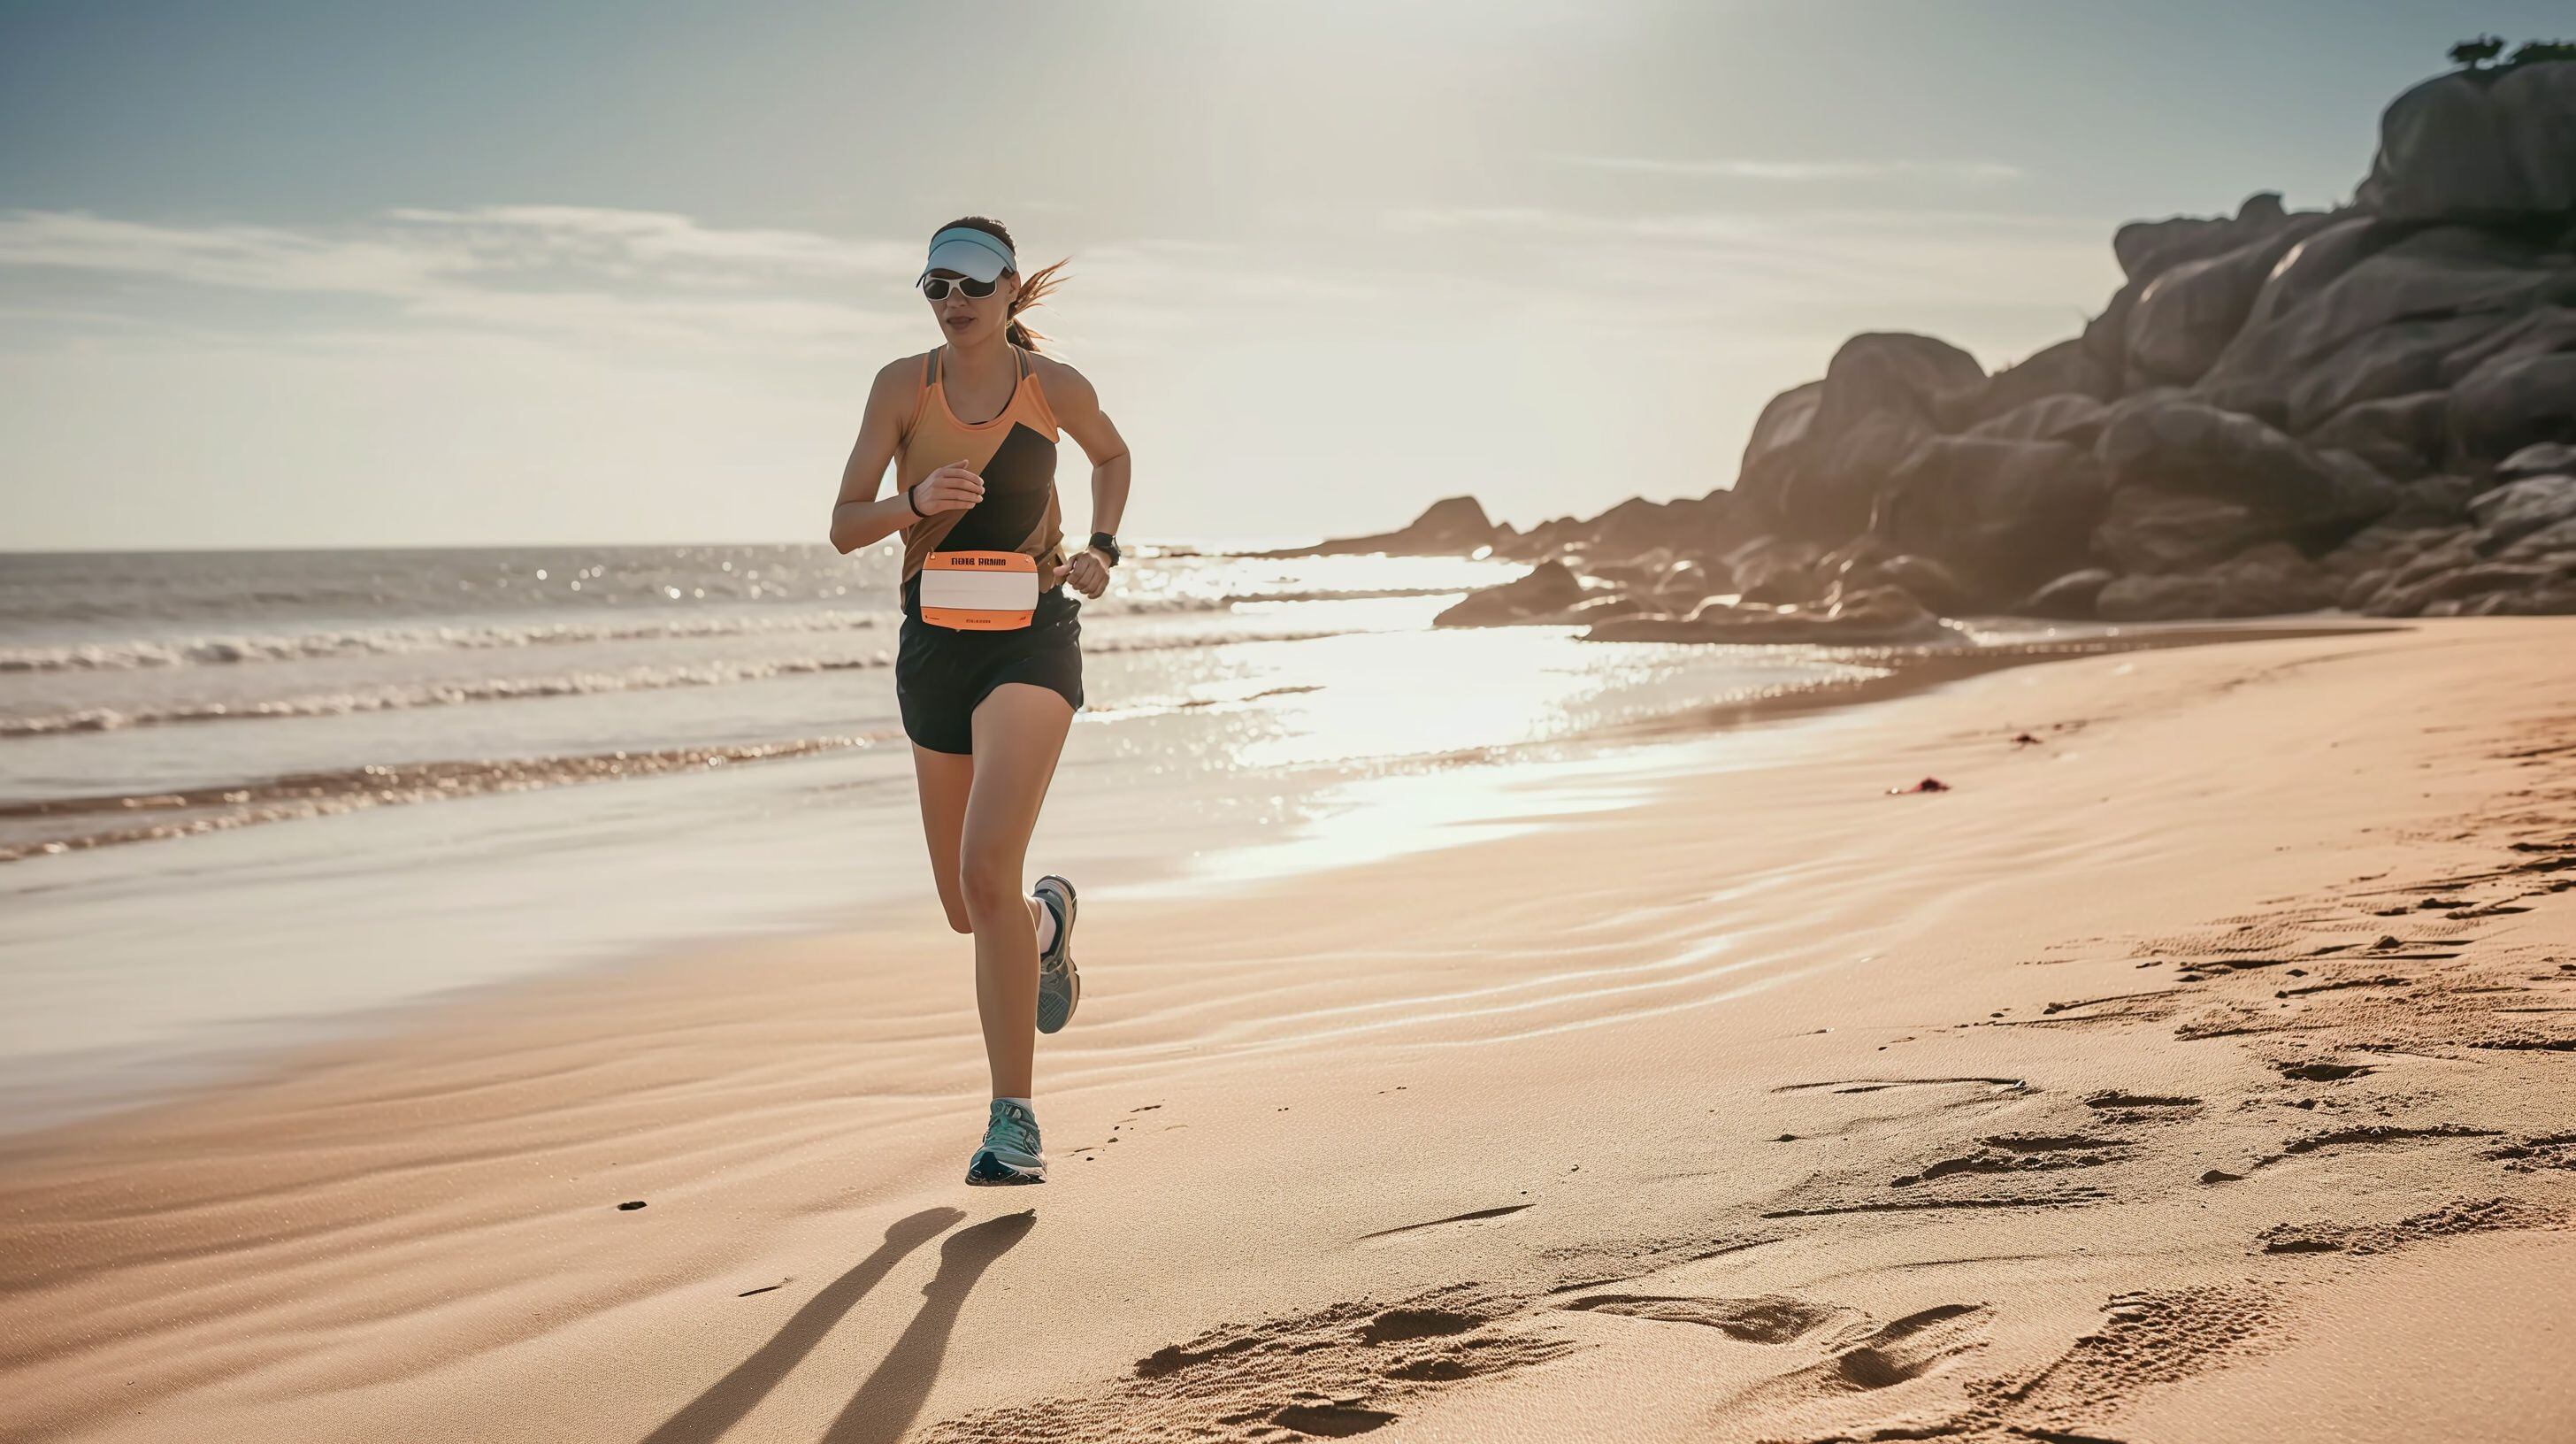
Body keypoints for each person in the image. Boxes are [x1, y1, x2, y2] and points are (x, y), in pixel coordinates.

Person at [829, 217, 1132, 1186]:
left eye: (969, 283)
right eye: (934, 286)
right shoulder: (899, 386)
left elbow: (1112, 457)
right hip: (933, 647)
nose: (951, 301)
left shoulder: (1054, 387)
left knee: (982, 863)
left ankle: (1014, 1123)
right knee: (972, 908)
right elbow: (843, 526)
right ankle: (1045, 926)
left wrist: (1101, 549)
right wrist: (913, 504)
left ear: (1009, 289)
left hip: (1034, 637)